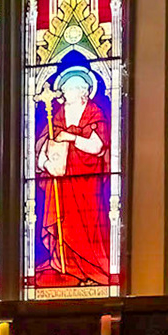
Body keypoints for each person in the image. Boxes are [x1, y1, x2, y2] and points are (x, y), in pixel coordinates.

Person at [34, 65, 112, 289]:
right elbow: (45, 142)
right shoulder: (57, 115)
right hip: (62, 183)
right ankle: (64, 264)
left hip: (87, 182)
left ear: (82, 91)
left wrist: (70, 137)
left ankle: (92, 267)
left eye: (68, 89)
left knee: (89, 224)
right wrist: (45, 162)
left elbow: (97, 146)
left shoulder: (94, 113)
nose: (64, 94)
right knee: (63, 222)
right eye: (64, 89)